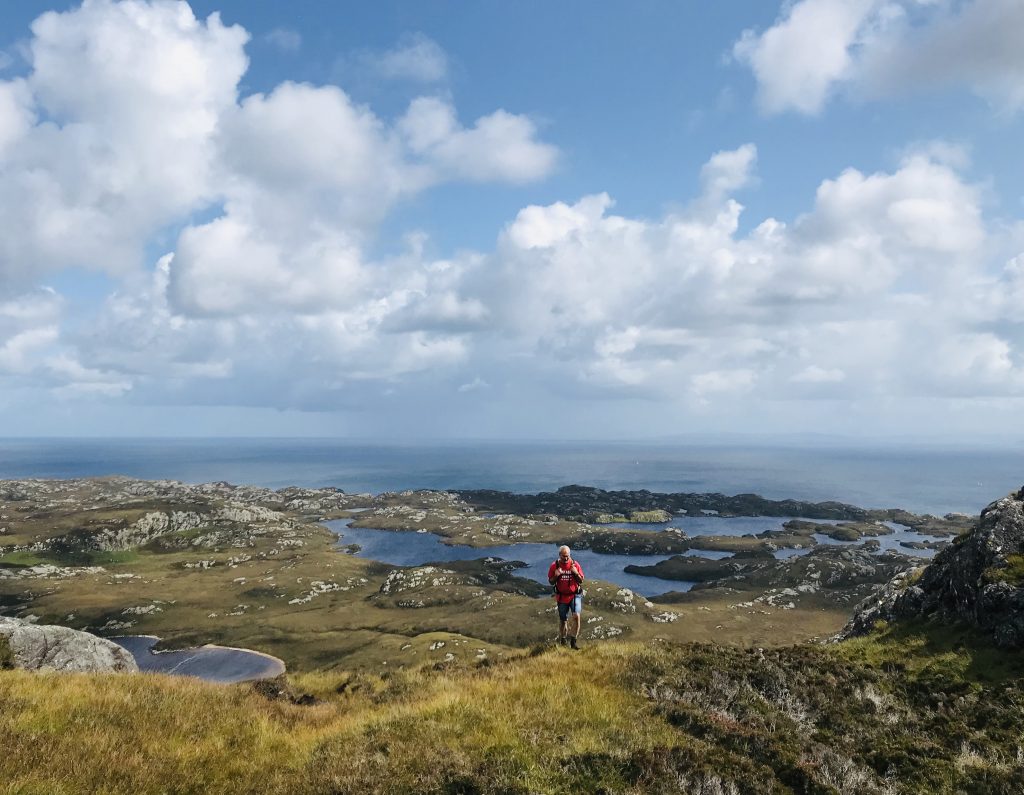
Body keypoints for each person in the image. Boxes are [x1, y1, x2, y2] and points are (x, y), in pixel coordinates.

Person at [547, 545, 584, 649]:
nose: (566, 558)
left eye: (567, 556)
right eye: (564, 556)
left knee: (576, 617)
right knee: (563, 620)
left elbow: (581, 580)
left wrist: (576, 573)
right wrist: (556, 575)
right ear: (559, 555)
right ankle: (563, 641)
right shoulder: (555, 565)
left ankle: (573, 643)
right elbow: (550, 581)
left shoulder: (575, 564)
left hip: (575, 595)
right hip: (562, 597)